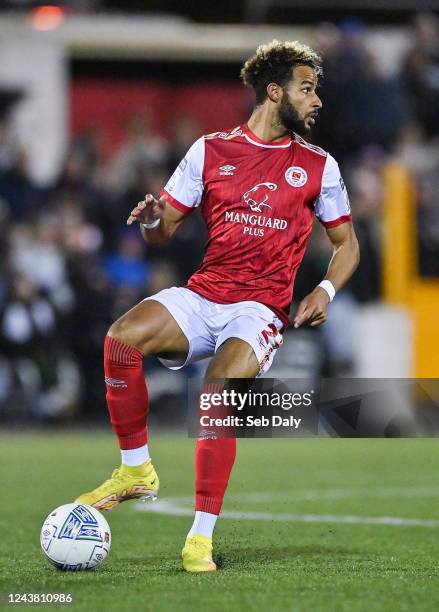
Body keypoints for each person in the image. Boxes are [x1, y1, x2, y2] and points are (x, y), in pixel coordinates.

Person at [75, 40, 360, 572]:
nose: (317, 99)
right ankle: (136, 469)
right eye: (307, 88)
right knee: (120, 340)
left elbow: (347, 245)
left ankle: (200, 537)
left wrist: (325, 290)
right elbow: (164, 233)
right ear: (275, 93)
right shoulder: (210, 150)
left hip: (258, 311)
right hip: (205, 295)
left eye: (316, 89)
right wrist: (155, 219)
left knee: (217, 391)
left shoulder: (319, 166)